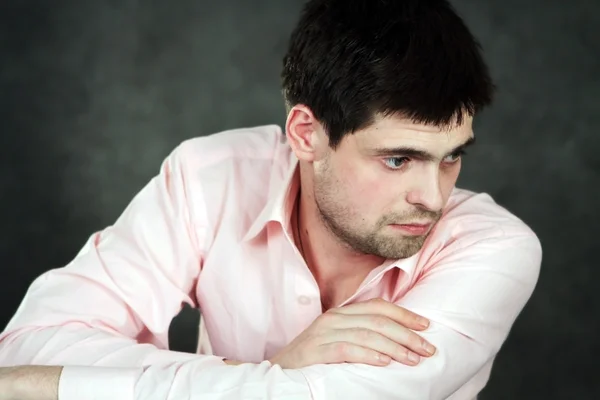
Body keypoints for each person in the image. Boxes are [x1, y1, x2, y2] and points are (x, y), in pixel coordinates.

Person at [0, 0, 542, 399]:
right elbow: (30, 344)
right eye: (398, 159)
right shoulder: (210, 176)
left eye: (450, 157)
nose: (432, 197)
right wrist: (270, 376)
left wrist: (270, 376)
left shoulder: (495, 248)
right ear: (307, 134)